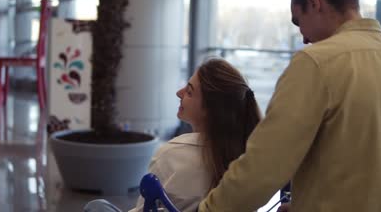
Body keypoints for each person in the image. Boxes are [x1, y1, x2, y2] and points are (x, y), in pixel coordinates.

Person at [198, 0, 381, 212]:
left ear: (313, 2)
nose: (302, 37)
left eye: (297, 20)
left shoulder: (316, 63)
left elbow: (264, 167)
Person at [84, 58, 261, 212]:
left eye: (189, 92)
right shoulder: (248, 160)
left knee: (97, 206)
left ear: (210, 110)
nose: (179, 93)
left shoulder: (173, 154)